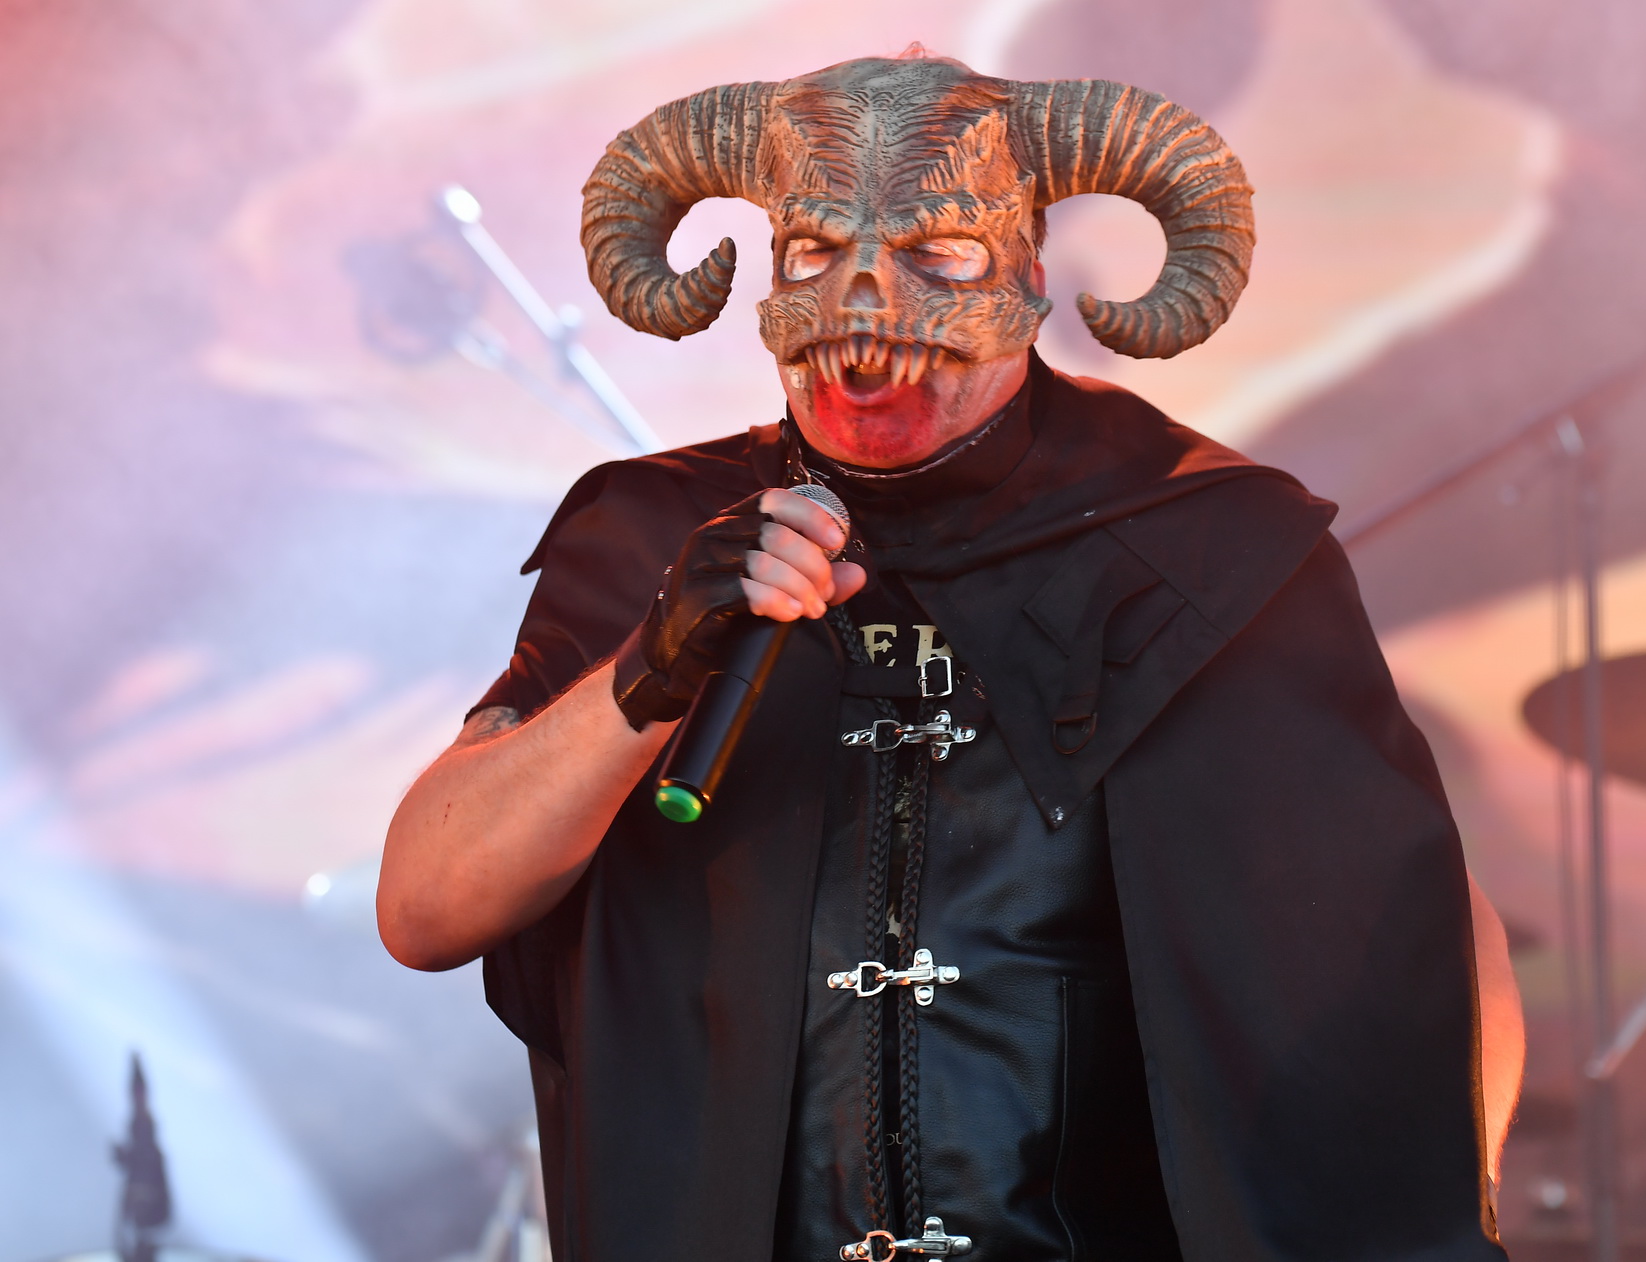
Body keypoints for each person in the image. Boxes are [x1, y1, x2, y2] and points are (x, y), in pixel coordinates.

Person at [379, 52, 1521, 1262]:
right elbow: (425, 906)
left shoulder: (1207, 549)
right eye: (815, 251)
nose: (868, 305)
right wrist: (645, 675)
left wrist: (1443, 1208)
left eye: (942, 252)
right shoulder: (650, 533)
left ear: (1029, 277)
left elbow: (1439, 947)